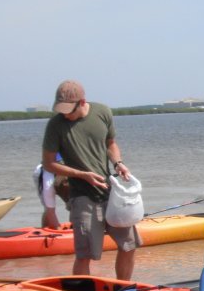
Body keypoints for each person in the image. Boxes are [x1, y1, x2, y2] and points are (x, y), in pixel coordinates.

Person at [41, 80, 139, 278]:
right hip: (82, 197)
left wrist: (118, 163)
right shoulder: (55, 125)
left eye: (69, 110)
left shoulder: (102, 112)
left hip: (111, 193)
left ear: (82, 102)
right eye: (60, 110)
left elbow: (110, 144)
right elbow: (48, 164)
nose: (65, 114)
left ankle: (124, 290)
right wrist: (83, 175)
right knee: (85, 254)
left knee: (129, 245)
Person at [33, 156, 70, 229]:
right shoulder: (48, 179)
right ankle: (45, 231)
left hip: (63, 171)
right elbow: (50, 210)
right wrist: (57, 230)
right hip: (44, 172)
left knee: (75, 205)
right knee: (48, 208)